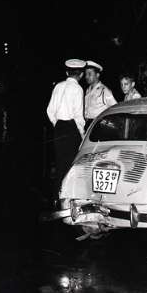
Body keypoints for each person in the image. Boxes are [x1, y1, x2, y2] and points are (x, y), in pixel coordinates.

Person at [46, 59, 86, 199]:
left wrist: (57, 123)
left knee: (59, 163)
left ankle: (56, 196)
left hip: (59, 128)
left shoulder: (58, 86)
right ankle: (67, 197)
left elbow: (50, 110)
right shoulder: (78, 89)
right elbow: (78, 115)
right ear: (81, 75)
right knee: (70, 164)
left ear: (67, 72)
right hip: (71, 128)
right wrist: (82, 134)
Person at [84, 60, 117, 130]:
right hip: (88, 124)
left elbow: (115, 108)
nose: (86, 76)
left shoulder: (104, 90)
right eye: (86, 74)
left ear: (97, 75)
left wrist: (106, 123)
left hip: (98, 125)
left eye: (89, 74)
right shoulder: (88, 90)